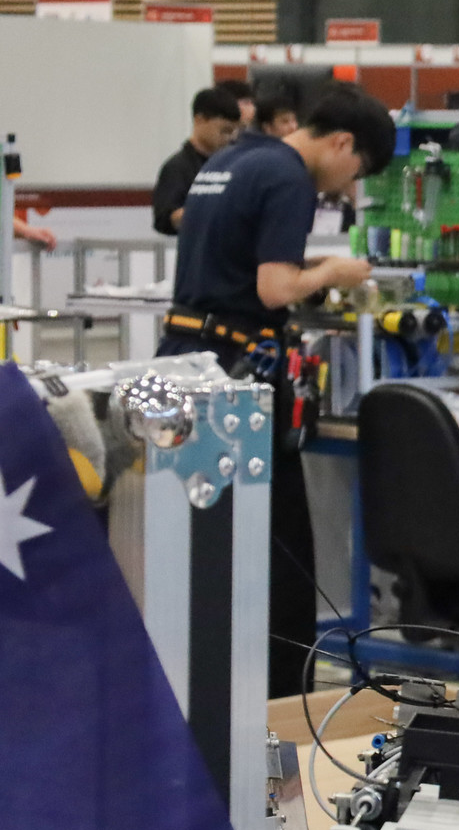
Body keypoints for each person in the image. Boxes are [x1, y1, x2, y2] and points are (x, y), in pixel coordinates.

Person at [158, 86, 392, 697]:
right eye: (357, 170)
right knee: (281, 563)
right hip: (239, 381)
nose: (346, 187)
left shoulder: (230, 160)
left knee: (204, 552)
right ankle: (281, 713)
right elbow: (271, 287)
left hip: (187, 362)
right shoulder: (288, 178)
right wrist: (334, 272)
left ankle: (204, 693)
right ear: (342, 142)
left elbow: (237, 265)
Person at [152, 87, 243, 236]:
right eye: (224, 131)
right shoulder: (177, 168)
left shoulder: (233, 164)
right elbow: (164, 219)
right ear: (199, 120)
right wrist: (208, 210)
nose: (229, 138)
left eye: (233, 132)